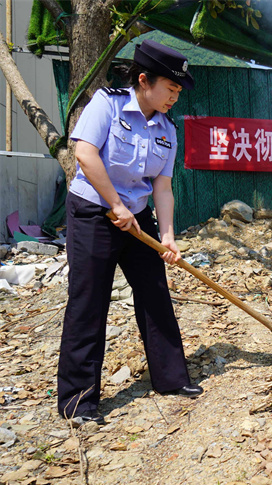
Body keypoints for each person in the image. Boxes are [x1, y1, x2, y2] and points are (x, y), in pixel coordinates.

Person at [58, 40, 203, 427]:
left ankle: (171, 379)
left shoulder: (167, 129)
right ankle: (78, 402)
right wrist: (115, 204)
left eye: (178, 91)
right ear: (143, 80)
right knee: (89, 301)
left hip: (137, 215)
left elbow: (162, 187)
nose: (174, 97)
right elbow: (85, 154)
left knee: (154, 292)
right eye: (170, 88)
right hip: (93, 211)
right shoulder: (106, 104)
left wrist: (168, 236)